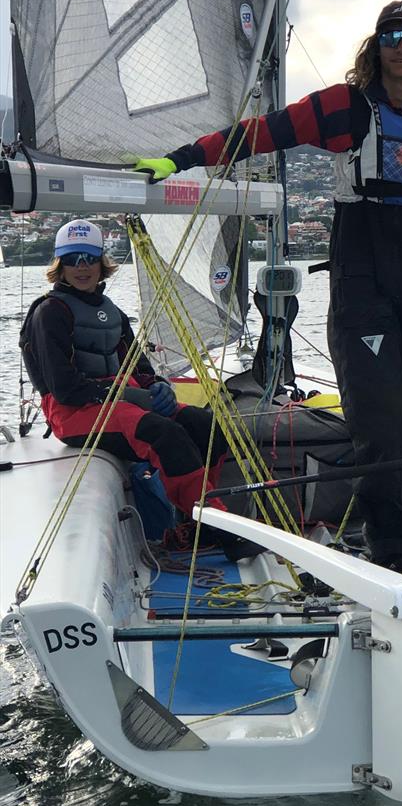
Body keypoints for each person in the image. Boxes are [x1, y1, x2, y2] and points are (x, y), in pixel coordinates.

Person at [131, 0, 402, 572]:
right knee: (380, 424)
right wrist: (180, 160)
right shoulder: (346, 107)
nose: (401, 45)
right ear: (377, 44)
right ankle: (388, 550)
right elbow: (264, 133)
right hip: (363, 264)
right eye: (390, 34)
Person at [19, 219, 261, 561]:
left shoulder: (112, 313)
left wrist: (159, 387)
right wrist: (129, 396)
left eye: (89, 257)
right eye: (73, 259)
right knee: (163, 433)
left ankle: (194, 521)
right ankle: (216, 527)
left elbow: (141, 369)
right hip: (73, 414)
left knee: (204, 425)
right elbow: (65, 388)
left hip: (119, 403)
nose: (82, 267)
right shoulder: (50, 313)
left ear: (102, 261)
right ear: (60, 265)